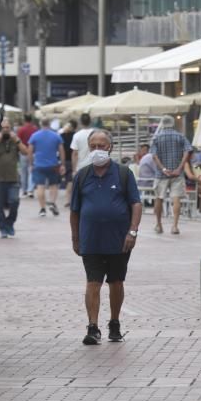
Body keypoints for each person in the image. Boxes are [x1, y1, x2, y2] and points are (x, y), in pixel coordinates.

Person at [70, 129, 141, 346]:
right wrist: (75, 237)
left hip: (119, 240)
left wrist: (133, 231)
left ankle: (115, 323)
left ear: (109, 147)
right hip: (90, 239)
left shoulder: (123, 173)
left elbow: (136, 204)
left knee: (116, 282)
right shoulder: (82, 176)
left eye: (102, 145)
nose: (97, 150)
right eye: (93, 146)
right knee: (93, 282)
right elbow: (75, 210)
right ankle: (92, 327)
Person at [0, 118, 29, 238]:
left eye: (7, 128)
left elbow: (26, 152)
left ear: (11, 129)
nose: (5, 130)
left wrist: (17, 140)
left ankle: (9, 223)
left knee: (15, 202)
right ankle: (3, 228)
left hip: (13, 179)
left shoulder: (15, 140)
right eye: (3, 128)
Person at [150, 115, 192, 235]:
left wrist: (163, 168)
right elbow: (187, 151)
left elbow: (154, 155)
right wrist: (180, 168)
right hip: (177, 174)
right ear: (173, 123)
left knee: (159, 198)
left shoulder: (156, 137)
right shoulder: (180, 136)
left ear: (162, 124)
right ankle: (174, 226)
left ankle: (158, 225)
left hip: (161, 174)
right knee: (176, 198)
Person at [28, 118, 65, 217]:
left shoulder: (34, 136)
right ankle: (52, 202)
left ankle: (42, 209)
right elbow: (61, 151)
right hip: (53, 165)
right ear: (49, 124)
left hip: (39, 165)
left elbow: (30, 151)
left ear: (40, 123)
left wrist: (31, 164)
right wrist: (62, 164)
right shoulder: (56, 136)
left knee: (40, 187)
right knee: (54, 185)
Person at [17, 115, 38, 198]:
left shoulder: (21, 129)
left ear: (24, 120)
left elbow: (18, 141)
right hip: (33, 153)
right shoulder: (35, 129)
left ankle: (24, 190)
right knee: (32, 171)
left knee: (23, 172)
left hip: (23, 153)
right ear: (31, 120)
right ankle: (30, 190)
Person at [60, 120, 78, 207]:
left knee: (69, 181)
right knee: (71, 181)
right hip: (74, 160)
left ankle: (68, 200)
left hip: (67, 160)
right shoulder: (75, 135)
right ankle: (70, 200)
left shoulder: (62, 136)